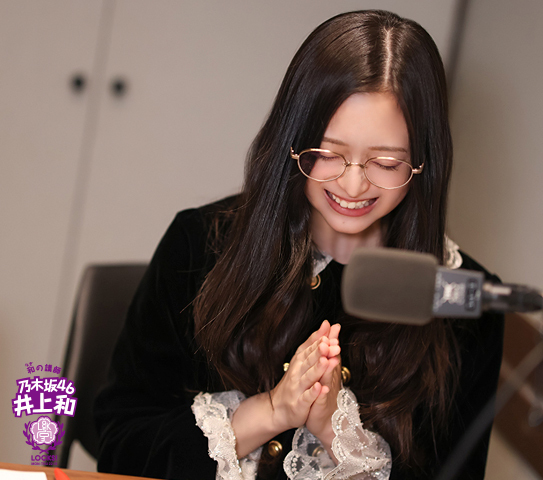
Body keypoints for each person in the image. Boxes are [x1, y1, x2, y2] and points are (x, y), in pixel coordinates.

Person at [94, 9, 504, 480]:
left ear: (424, 162)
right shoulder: (198, 246)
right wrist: (270, 412)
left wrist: (334, 430)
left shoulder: (464, 302)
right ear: (292, 139)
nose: (353, 186)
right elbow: (120, 443)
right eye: (328, 153)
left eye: (386, 163)